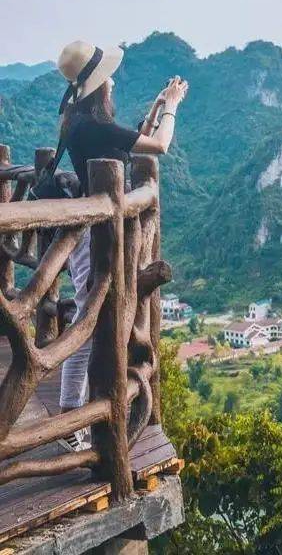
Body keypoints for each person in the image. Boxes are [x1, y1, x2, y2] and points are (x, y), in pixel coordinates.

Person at [55, 40, 188, 450]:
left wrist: (154, 108)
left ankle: (76, 414)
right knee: (87, 321)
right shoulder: (91, 126)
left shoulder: (83, 123)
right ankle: (67, 418)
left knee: (95, 318)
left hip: (98, 236)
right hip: (93, 238)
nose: (112, 83)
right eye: (108, 78)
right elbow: (159, 146)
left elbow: (131, 144)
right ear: (98, 87)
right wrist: (173, 105)